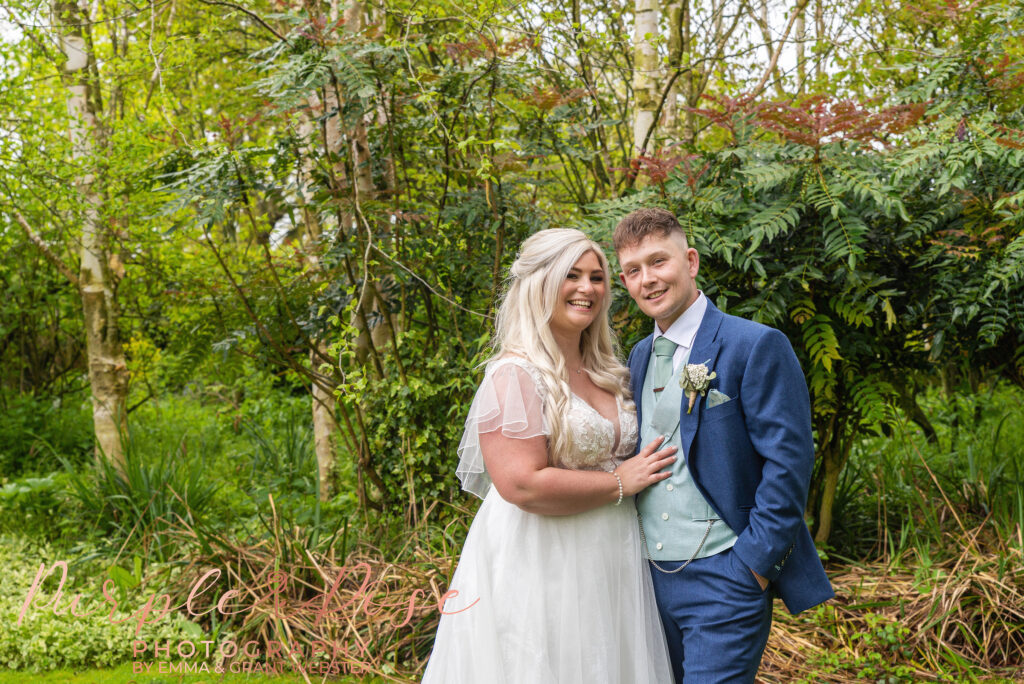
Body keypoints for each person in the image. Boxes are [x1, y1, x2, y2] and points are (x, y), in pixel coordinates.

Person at [422, 228, 676, 683]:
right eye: (571, 276)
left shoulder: (609, 370)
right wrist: (622, 481)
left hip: (612, 553)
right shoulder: (514, 374)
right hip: (543, 557)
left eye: (597, 277)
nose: (587, 288)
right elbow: (520, 483)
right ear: (539, 283)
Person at [613, 208, 835, 683]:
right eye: (633, 271)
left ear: (690, 261)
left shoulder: (754, 344)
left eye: (659, 262)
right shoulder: (637, 356)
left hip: (727, 577)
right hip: (646, 583)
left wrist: (753, 566)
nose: (647, 280)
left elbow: (789, 463)